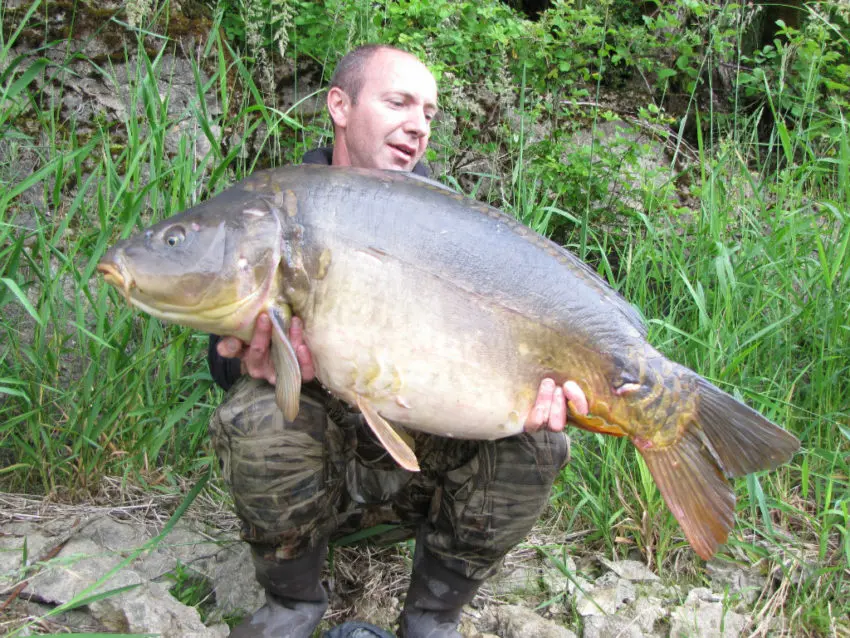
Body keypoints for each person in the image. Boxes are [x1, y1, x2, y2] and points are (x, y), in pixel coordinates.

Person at [207, 45, 588, 638]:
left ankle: (434, 615)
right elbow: (223, 349)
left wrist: (546, 388)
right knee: (257, 414)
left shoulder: (455, 227)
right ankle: (292, 602)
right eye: (399, 102)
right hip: (322, 471)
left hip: (425, 471)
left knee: (538, 442)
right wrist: (251, 361)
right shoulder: (279, 206)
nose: (419, 125)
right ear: (339, 104)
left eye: (430, 113)